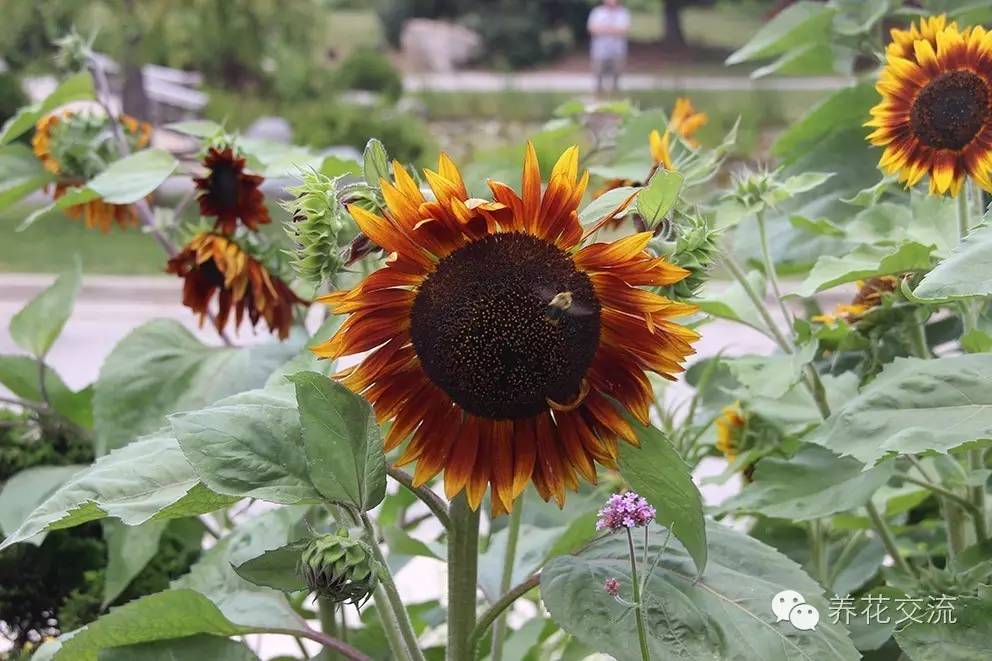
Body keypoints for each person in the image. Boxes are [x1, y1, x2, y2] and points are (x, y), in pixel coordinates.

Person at [587, 0, 631, 95]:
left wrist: (604, 29)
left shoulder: (623, 13)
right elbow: (593, 29)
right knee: (598, 75)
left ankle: (615, 95)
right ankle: (598, 95)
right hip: (600, 50)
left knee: (617, 76)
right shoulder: (597, 12)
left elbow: (624, 30)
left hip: (618, 50)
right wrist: (613, 29)